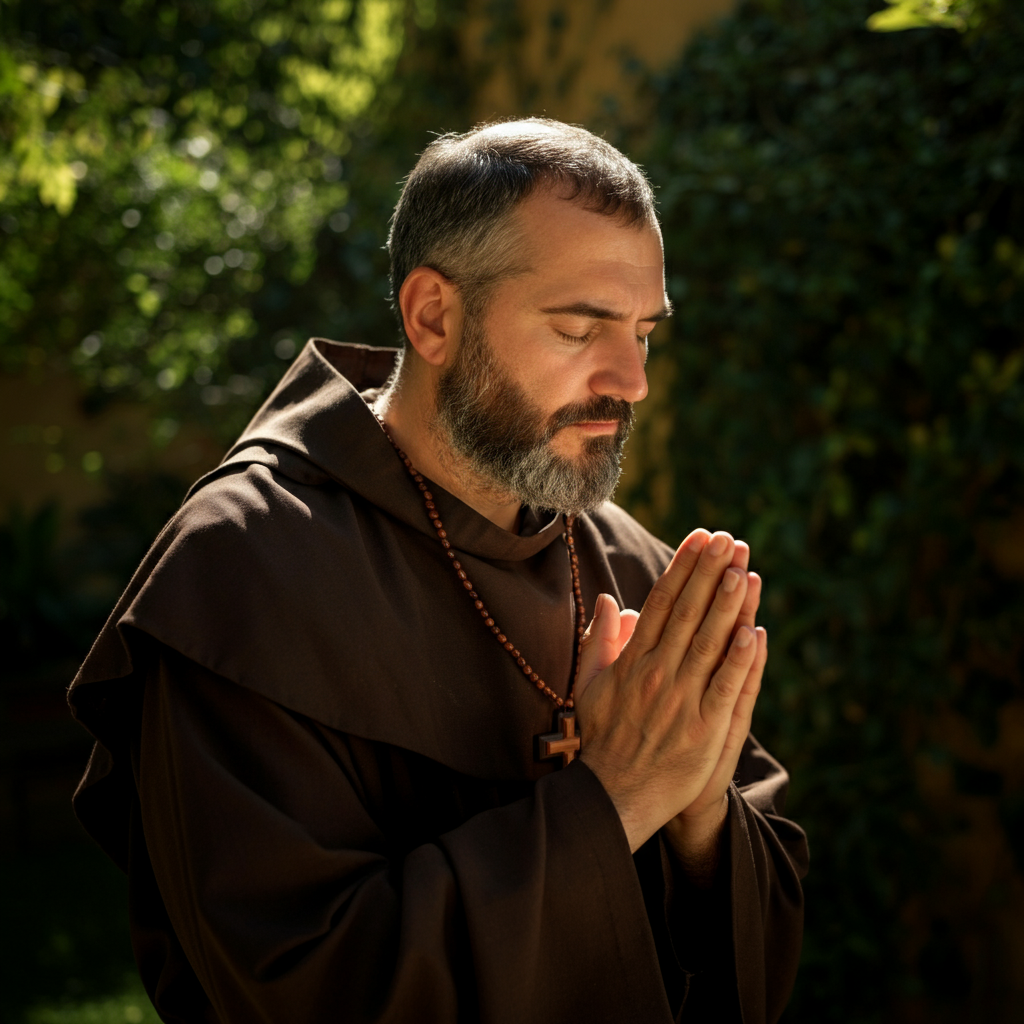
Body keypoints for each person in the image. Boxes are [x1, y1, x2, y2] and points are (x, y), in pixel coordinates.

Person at [69, 118, 807, 1024]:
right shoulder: (245, 569)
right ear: (434, 318)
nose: (632, 379)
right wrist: (614, 798)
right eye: (581, 328)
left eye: (644, 334)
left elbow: (761, 958)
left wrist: (699, 817)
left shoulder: (627, 563)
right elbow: (298, 987)